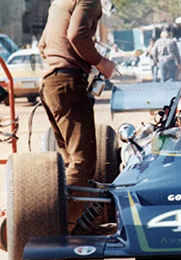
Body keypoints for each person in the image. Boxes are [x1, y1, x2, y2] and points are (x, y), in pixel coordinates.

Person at [38, 0, 115, 233]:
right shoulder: (87, 0)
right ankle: (68, 228)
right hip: (68, 83)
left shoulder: (60, 2)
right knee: (83, 161)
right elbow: (77, 34)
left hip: (51, 82)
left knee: (70, 161)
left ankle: (71, 222)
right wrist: (100, 62)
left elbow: (43, 45)